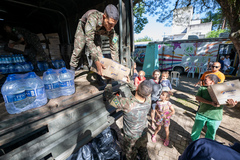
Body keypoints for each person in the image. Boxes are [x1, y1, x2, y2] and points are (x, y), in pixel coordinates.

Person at [69, 4, 119, 85]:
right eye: (110, 24)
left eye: (114, 25)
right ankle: (71, 73)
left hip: (96, 32)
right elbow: (89, 40)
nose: (111, 27)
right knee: (78, 49)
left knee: (99, 52)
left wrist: (116, 68)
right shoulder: (93, 18)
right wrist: (96, 61)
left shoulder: (111, 30)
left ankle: (99, 75)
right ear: (104, 17)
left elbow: (114, 49)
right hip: (84, 28)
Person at [104, 79, 152, 160]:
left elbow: (109, 97)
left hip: (131, 138)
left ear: (137, 88)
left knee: (130, 157)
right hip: (143, 134)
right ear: (148, 94)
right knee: (143, 152)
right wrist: (129, 82)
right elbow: (138, 92)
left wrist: (108, 82)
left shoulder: (127, 104)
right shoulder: (148, 100)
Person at [191, 74, 238, 141]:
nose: (203, 81)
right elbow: (198, 98)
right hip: (202, 114)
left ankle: (208, 145)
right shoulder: (202, 88)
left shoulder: (222, 91)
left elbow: (228, 104)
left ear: (212, 81)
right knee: (196, 129)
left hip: (215, 117)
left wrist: (232, 104)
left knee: (211, 133)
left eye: (206, 79)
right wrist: (210, 103)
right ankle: (194, 142)